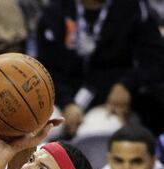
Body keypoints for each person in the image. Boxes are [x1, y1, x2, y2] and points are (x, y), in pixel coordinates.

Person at [37, 0, 164, 137]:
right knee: (38, 127)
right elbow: (45, 67)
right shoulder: (55, 10)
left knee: (95, 132)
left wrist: (126, 85)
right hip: (61, 97)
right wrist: (67, 103)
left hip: (109, 100)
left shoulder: (134, 8)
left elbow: (155, 60)